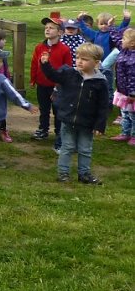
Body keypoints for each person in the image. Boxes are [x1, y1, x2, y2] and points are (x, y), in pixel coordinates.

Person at [40, 43, 107, 185]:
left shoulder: (100, 82)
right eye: (77, 58)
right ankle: (63, 174)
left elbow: (103, 106)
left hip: (87, 122)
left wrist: (100, 125)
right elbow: (53, 75)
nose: (80, 61)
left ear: (96, 63)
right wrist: (45, 64)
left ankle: (84, 174)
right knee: (67, 147)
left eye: (84, 59)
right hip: (68, 119)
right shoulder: (69, 73)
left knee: (85, 149)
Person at [30, 14, 72, 148]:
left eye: (51, 28)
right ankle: (43, 129)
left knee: (58, 109)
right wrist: (33, 79)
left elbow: (67, 68)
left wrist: (61, 84)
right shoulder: (39, 47)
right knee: (44, 108)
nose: (47, 30)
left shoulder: (64, 49)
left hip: (57, 86)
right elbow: (34, 64)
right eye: (46, 28)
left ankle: (59, 132)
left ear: (60, 32)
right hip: (42, 84)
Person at [110, 28, 135, 145]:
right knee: (125, 113)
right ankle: (125, 133)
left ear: (132, 43)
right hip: (123, 91)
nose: (121, 40)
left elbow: (133, 78)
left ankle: (134, 135)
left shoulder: (133, 59)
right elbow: (116, 39)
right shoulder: (124, 50)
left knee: (133, 115)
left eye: (124, 38)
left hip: (131, 93)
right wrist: (111, 27)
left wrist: (132, 93)